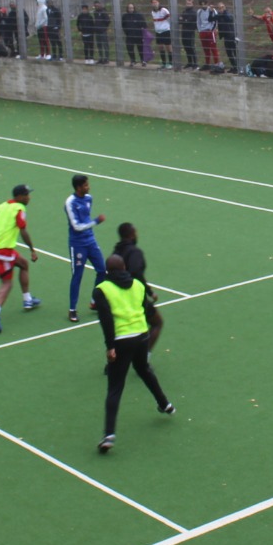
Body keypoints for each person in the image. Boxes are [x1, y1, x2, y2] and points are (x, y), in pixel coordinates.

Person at [93, 253, 174, 454]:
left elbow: (106, 320)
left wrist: (110, 346)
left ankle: (109, 434)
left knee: (115, 388)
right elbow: (146, 309)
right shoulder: (137, 284)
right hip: (142, 337)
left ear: (107, 271)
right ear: (124, 269)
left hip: (121, 341)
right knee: (144, 370)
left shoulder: (102, 290)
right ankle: (165, 404)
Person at [0, 183, 41, 333]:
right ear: (20, 197)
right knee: (7, 283)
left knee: (23, 264)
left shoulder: (1, 206)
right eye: (27, 195)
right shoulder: (19, 209)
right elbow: (23, 230)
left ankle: (27, 300)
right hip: (3, 251)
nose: (29, 197)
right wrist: (32, 249)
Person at [63, 174, 108, 323]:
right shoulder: (70, 202)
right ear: (78, 187)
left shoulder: (89, 198)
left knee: (102, 270)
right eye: (86, 185)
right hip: (77, 244)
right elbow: (76, 226)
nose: (88, 187)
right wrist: (96, 222)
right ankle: (72, 309)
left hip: (91, 241)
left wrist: (92, 224)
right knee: (78, 275)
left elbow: (86, 219)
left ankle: (94, 301)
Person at [215, 1, 239, 72]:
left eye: (222, 7)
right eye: (219, 8)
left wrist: (224, 11)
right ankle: (234, 67)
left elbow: (229, 19)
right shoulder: (219, 15)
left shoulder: (228, 13)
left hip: (232, 36)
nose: (221, 9)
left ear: (225, 7)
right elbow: (211, 18)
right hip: (226, 37)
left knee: (235, 52)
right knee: (229, 53)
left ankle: (238, 67)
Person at [196, 0, 220, 68]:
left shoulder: (212, 10)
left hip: (210, 31)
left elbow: (215, 20)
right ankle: (207, 64)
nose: (203, 6)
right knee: (205, 48)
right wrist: (200, 30)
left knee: (213, 48)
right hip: (203, 31)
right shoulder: (199, 12)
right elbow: (198, 21)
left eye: (204, 4)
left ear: (207, 4)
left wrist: (213, 29)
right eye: (201, 4)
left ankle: (216, 64)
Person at [150, 0, 173, 68]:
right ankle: (164, 63)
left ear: (158, 2)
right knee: (160, 47)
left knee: (168, 47)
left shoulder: (164, 10)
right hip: (158, 32)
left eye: (156, 2)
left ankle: (170, 63)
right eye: (153, 3)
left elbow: (169, 19)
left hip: (165, 31)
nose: (155, 4)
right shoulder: (152, 12)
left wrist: (168, 27)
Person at [178, 0, 199, 69]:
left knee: (191, 47)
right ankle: (190, 62)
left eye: (189, 3)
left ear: (192, 4)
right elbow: (180, 21)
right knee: (186, 47)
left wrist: (184, 20)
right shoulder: (184, 11)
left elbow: (189, 21)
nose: (188, 4)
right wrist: (184, 20)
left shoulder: (193, 12)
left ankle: (195, 63)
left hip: (190, 32)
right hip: (184, 31)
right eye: (187, 3)